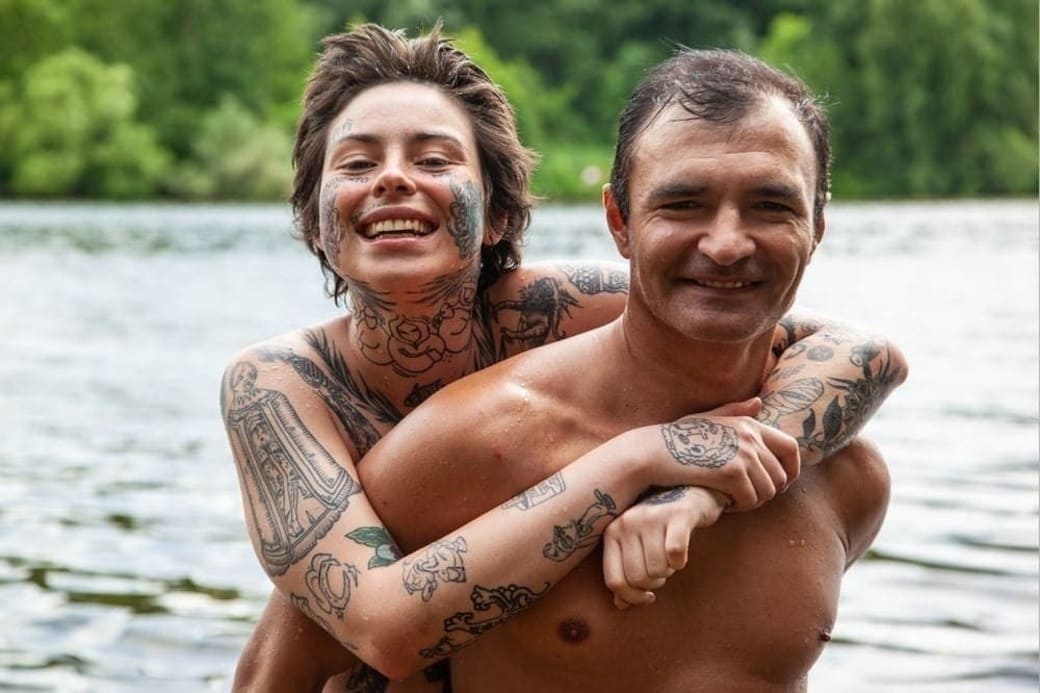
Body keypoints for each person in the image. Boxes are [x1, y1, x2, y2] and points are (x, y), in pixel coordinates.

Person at [225, 24, 907, 692]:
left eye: (434, 161)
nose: (724, 247)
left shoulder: (552, 305)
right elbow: (365, 631)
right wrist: (640, 456)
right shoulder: (322, 396)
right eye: (357, 164)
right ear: (621, 224)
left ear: (496, 215)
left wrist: (704, 487)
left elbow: (858, 349)